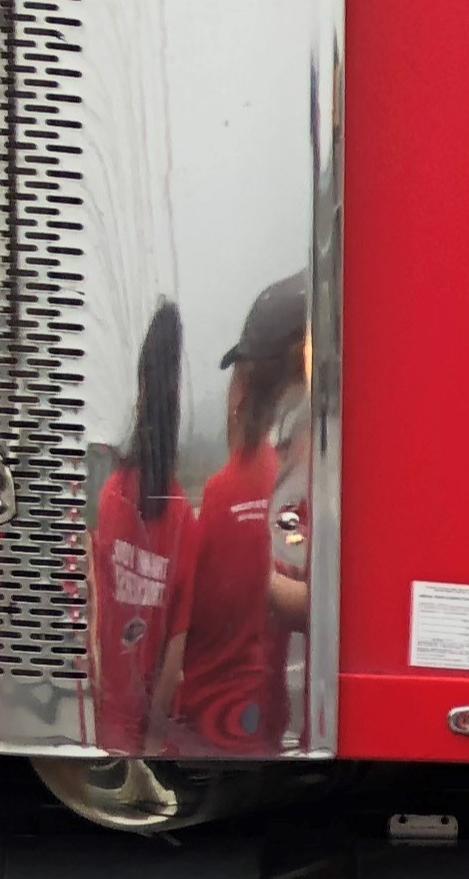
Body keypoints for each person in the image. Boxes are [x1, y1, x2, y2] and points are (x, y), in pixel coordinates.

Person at [171, 276, 309, 756]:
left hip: (208, 726)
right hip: (263, 724)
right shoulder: (291, 481)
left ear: (244, 389)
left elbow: (185, 614)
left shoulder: (227, 489)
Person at [89, 302, 193, 753]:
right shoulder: (182, 515)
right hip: (140, 736)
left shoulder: (112, 495)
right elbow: (174, 649)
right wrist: (152, 738)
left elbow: (93, 614)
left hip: (103, 725)